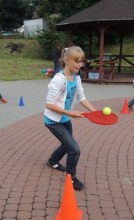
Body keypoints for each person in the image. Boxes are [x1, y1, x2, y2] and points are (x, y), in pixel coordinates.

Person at [44, 46, 97, 191]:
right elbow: (49, 104)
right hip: (53, 121)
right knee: (74, 149)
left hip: (64, 119)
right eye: (77, 61)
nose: (80, 65)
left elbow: (82, 97)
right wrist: (70, 113)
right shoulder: (58, 79)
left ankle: (53, 161)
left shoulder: (76, 78)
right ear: (67, 60)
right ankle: (71, 177)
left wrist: (95, 112)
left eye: (82, 62)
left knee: (67, 144)